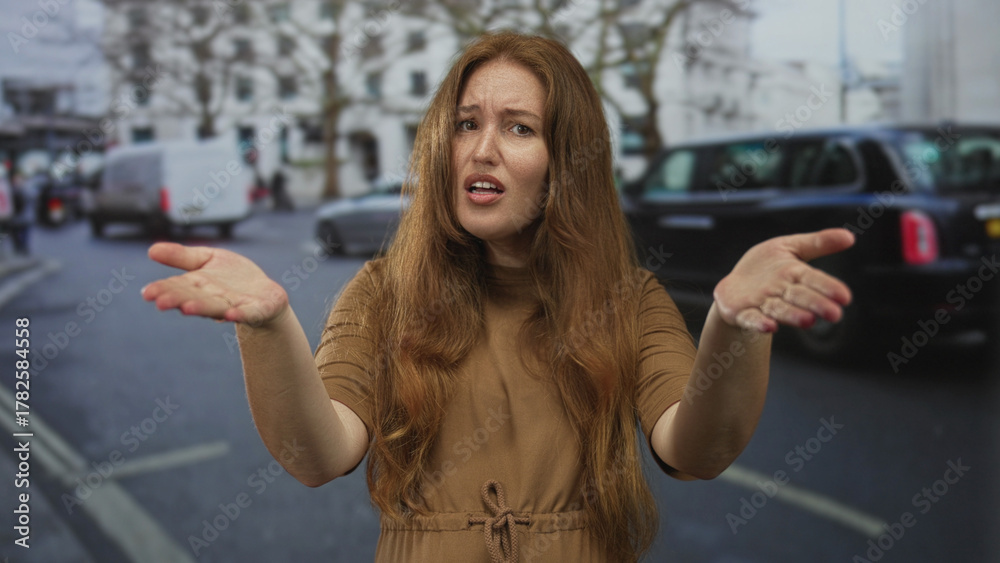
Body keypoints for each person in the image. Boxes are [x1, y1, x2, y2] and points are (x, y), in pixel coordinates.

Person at [142, 32, 854, 562]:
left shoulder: (629, 299)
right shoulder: (383, 291)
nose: (481, 149)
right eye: (466, 122)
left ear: (566, 163)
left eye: (518, 127)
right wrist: (267, 327)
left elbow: (694, 447)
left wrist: (733, 327)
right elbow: (317, 452)